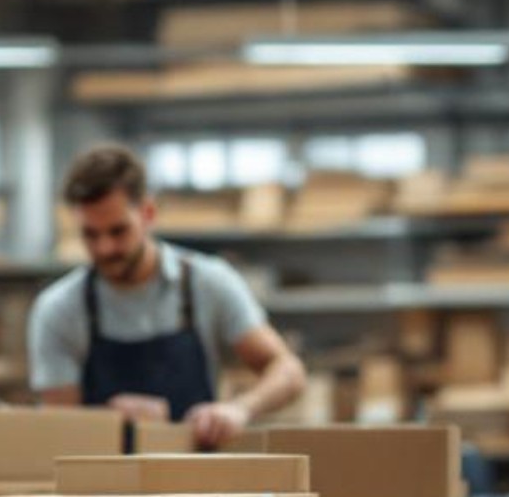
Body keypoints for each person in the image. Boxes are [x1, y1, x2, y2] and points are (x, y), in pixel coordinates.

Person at [28, 144, 304, 447]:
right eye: (90, 235)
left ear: (147, 214)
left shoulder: (207, 283)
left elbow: (288, 371)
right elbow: (58, 426)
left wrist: (239, 408)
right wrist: (108, 418)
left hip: (197, 482)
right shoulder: (59, 309)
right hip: (101, 487)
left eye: (118, 231)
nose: (104, 248)